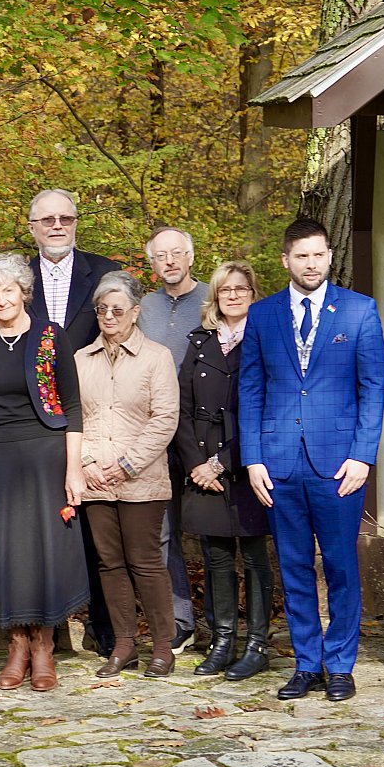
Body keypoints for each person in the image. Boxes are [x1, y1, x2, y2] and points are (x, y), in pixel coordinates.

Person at [239, 219, 384, 702]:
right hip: (279, 463)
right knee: (295, 567)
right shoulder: (262, 316)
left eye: (318, 255)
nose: (311, 264)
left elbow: (373, 388)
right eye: (301, 256)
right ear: (286, 260)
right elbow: (251, 388)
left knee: (342, 565)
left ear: (328, 257)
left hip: (339, 463)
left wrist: (363, 456)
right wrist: (252, 458)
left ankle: (341, 664)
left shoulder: (360, 312)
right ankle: (307, 664)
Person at [0, 253, 88, 692]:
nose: (0, 299)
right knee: (5, 552)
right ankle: (15, 645)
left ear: (23, 292)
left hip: (44, 455)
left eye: (8, 291)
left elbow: (72, 407)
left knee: (42, 551)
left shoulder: (52, 336)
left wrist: (74, 469)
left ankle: (44, 646)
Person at [24, 189, 121, 657]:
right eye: (47, 220)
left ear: (76, 223)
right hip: (36, 419)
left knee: (97, 530)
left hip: (98, 414)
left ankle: (104, 628)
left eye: (65, 218)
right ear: (32, 228)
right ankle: (51, 629)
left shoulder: (103, 273)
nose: (57, 226)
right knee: (44, 528)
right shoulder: (17, 279)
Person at [73, 271, 179, 678]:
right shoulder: (82, 360)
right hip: (95, 479)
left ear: (135, 312)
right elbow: (72, 418)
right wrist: (86, 464)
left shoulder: (157, 357)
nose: (109, 316)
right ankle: (123, 644)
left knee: (146, 561)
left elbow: (165, 418)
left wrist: (127, 465)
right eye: (103, 309)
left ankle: (163, 646)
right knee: (109, 563)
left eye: (118, 309)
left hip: (142, 478)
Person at [176, 261, 273, 680]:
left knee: (254, 557)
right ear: (214, 297)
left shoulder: (269, 340)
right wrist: (198, 464)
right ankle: (222, 641)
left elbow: (270, 410)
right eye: (224, 290)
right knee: (215, 558)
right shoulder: (199, 343)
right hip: (201, 464)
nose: (233, 295)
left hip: (249, 463)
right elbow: (177, 407)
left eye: (241, 288)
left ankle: (256, 645)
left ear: (253, 292)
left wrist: (223, 462)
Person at [137, 226, 209, 655]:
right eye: (161, 255)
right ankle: (179, 622)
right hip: (156, 437)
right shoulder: (142, 308)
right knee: (161, 534)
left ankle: (222, 626)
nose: (170, 261)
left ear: (191, 256)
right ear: (152, 263)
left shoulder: (211, 301)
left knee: (211, 533)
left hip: (202, 435)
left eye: (177, 253)